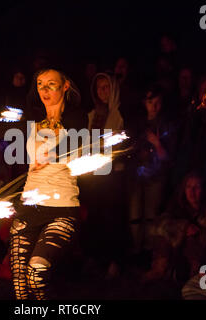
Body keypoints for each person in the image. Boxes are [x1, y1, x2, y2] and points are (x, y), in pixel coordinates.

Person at [0, 68, 86, 300]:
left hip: (61, 209)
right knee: (20, 286)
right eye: (40, 84)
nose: (44, 89)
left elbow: (76, 140)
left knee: (36, 272)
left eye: (51, 84)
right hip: (29, 209)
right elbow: (3, 129)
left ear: (65, 86)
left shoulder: (76, 117)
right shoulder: (33, 122)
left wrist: (52, 154)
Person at [80, 72, 127, 279]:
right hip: (94, 175)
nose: (103, 92)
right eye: (99, 88)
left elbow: (123, 143)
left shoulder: (120, 114)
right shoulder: (92, 115)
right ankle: (94, 257)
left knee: (112, 217)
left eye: (106, 87)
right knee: (95, 216)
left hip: (112, 175)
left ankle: (114, 260)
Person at [126, 84, 177, 256]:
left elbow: (167, 157)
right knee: (134, 214)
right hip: (136, 176)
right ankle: (135, 248)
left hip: (156, 176)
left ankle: (148, 250)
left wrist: (157, 143)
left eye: (157, 102)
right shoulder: (137, 124)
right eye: (150, 102)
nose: (154, 106)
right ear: (144, 103)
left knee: (150, 216)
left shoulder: (166, 125)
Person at [144, 171, 206, 282]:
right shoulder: (176, 206)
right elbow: (158, 226)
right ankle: (158, 270)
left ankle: (197, 276)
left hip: (197, 255)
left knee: (193, 241)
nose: (192, 191)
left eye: (197, 187)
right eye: (188, 187)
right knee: (165, 237)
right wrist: (184, 227)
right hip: (176, 252)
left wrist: (197, 232)